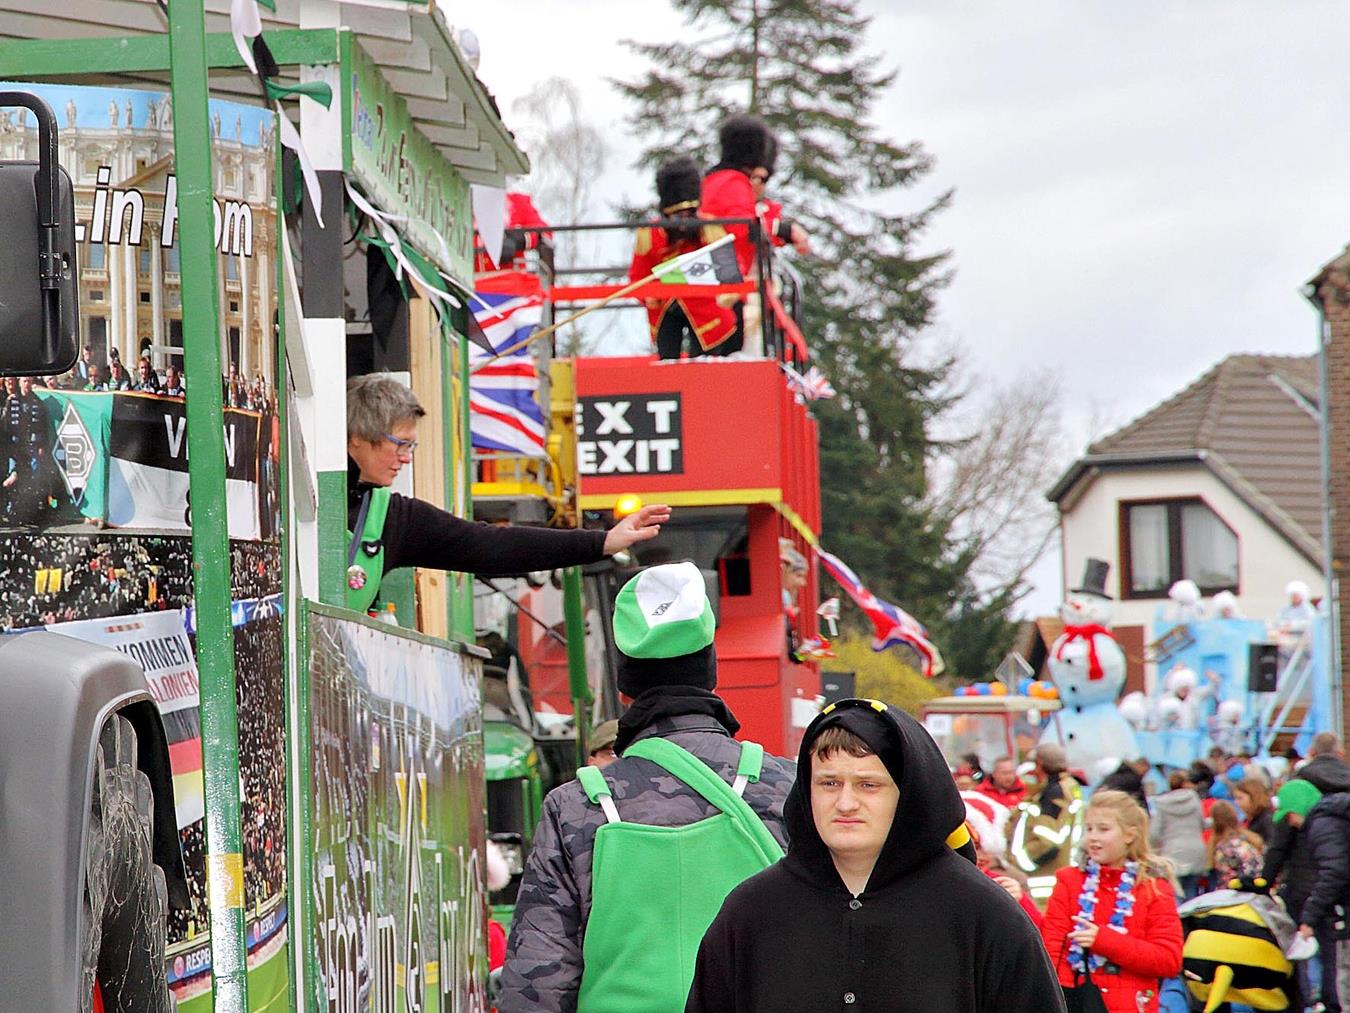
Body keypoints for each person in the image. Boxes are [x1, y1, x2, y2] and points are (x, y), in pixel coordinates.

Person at [499, 562, 796, 1012]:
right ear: (710, 673)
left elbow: (536, 984)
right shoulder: (785, 787)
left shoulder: (577, 807)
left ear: (624, 690)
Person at [686, 698, 1064, 1012]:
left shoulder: (983, 916)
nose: (845, 803)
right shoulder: (751, 914)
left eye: (868, 785)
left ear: (907, 793)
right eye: (829, 783)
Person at [345, 373, 667, 614]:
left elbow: (491, 545)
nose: (407, 457)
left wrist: (603, 542)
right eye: (401, 444)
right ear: (358, 437)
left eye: (411, 446)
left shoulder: (392, 516)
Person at [1040, 790, 1183, 1012]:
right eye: (1089, 829)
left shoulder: (1153, 888)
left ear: (1129, 835)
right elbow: (1052, 950)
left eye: (1103, 829)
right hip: (1078, 1000)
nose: (1093, 837)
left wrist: (1104, 940)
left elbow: (1169, 960)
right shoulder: (1069, 880)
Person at [628, 155, 737, 359]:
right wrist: (647, 296)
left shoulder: (710, 229)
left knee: (706, 364)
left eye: (690, 214)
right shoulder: (649, 235)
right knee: (667, 364)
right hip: (665, 308)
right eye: (679, 216)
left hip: (706, 307)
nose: (685, 222)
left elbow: (729, 272)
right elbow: (637, 277)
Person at [1265, 779, 1324, 1008]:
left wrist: (1264, 882)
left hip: (1303, 892)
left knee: (1305, 950)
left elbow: (1277, 850)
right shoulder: (1327, 823)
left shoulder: (1313, 827)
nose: (1289, 821)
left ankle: (1309, 997)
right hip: (1320, 894)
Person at [1299, 781, 1350, 1013]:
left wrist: (1310, 915)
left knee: (1343, 972)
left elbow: (1334, 871)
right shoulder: (1336, 818)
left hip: (1344, 909)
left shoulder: (1323, 824)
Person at [1150, 770, 1207, 900]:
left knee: (1175, 893)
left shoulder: (1161, 804)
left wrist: (1155, 850)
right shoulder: (1194, 798)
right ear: (1185, 783)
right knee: (1192, 892)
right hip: (1195, 849)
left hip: (1172, 851)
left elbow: (1154, 833)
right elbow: (1202, 824)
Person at [1207, 799, 1264, 885]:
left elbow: (1215, 868)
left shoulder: (1223, 846)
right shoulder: (1249, 839)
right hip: (1257, 884)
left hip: (1236, 889)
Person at [1235, 776, 1275, 845]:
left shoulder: (1266, 819)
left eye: (1240, 798)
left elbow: (1271, 845)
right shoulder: (1249, 819)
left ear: (1254, 797)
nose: (1236, 802)